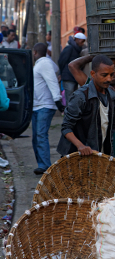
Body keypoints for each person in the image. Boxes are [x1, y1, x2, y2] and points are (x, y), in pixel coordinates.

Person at [57, 55, 115, 157]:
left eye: (111, 75)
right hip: (77, 156)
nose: (109, 79)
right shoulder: (80, 96)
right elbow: (66, 127)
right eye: (104, 75)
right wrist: (81, 146)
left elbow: (112, 127)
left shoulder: (112, 95)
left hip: (101, 155)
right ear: (93, 74)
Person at [32, 43, 65, 174]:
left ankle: (45, 165)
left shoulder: (44, 63)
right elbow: (56, 69)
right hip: (38, 105)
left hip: (44, 105)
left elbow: (52, 82)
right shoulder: (46, 63)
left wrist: (58, 103)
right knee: (36, 136)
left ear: (35, 52)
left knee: (40, 135)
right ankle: (42, 164)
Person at [58, 32, 86, 104]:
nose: (82, 43)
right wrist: (61, 73)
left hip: (75, 77)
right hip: (68, 78)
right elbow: (61, 61)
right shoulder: (69, 48)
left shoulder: (79, 50)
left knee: (73, 98)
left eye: (83, 41)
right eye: (81, 41)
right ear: (76, 39)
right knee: (69, 98)